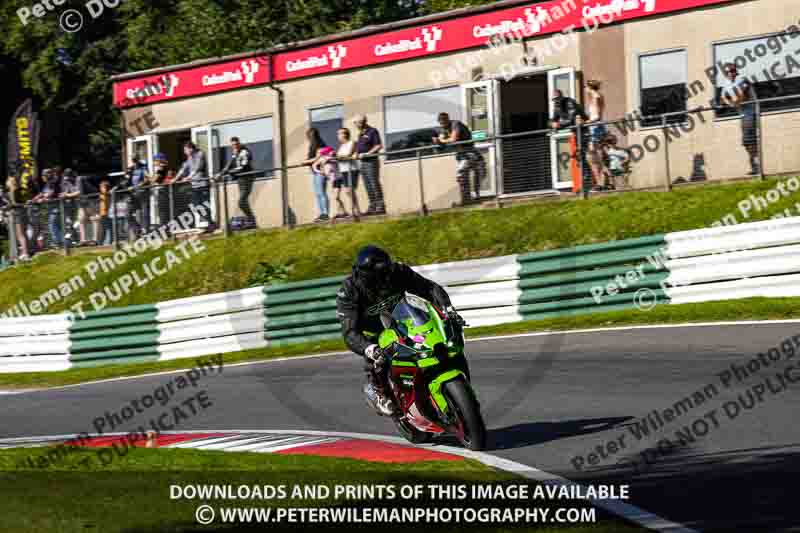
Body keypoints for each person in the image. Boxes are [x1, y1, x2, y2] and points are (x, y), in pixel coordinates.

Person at [335, 245, 465, 416]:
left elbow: (429, 288)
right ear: (367, 276)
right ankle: (379, 391)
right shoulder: (349, 290)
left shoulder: (397, 271)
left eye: (387, 272)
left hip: (403, 319)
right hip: (372, 333)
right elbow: (350, 332)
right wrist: (369, 348)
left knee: (439, 337)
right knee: (377, 359)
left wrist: (448, 309)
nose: (385, 279)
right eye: (380, 277)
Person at [432, 112, 486, 206]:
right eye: (440, 122)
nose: (442, 124)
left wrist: (441, 141)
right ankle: (467, 199)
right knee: (463, 176)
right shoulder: (443, 130)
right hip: (462, 155)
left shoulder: (456, 124)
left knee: (474, 174)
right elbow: (441, 142)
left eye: (444, 121)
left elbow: (454, 139)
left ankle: (472, 197)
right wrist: (438, 142)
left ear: (448, 119)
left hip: (471, 153)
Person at [720, 63, 760, 176]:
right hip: (742, 114)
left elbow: (743, 96)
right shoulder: (726, 84)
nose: (731, 74)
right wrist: (729, 103)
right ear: (726, 74)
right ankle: (755, 163)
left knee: (749, 140)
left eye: (733, 71)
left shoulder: (741, 80)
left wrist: (733, 103)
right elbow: (722, 98)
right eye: (729, 72)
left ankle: (756, 167)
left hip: (750, 112)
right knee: (746, 142)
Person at [551, 90, 589, 193]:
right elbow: (553, 119)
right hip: (576, 133)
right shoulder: (557, 107)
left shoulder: (570, 102)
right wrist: (552, 124)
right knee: (579, 158)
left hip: (584, 131)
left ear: (562, 97)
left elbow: (573, 119)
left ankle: (587, 185)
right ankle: (585, 185)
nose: (556, 101)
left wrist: (559, 125)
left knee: (584, 156)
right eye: (554, 100)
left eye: (558, 99)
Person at [175, 141, 213, 232]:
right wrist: (175, 179)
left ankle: (210, 224)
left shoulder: (200, 154)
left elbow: (197, 167)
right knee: (196, 206)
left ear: (190, 148)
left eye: (185, 149)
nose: (184, 152)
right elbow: (183, 169)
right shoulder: (189, 158)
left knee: (205, 206)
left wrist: (188, 177)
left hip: (202, 184)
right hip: (195, 186)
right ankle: (209, 223)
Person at [218, 136, 255, 228]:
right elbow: (229, 165)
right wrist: (221, 173)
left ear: (239, 143)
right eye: (233, 145)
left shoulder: (245, 152)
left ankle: (251, 219)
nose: (235, 146)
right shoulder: (235, 152)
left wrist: (229, 172)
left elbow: (243, 167)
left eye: (236, 144)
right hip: (240, 179)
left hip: (247, 178)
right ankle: (251, 221)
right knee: (243, 201)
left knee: (241, 201)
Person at [353, 115, 386, 215]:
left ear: (362, 122)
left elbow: (378, 145)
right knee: (367, 185)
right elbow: (359, 148)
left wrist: (368, 153)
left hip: (371, 161)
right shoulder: (360, 134)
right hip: (363, 162)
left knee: (374, 183)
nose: (355, 125)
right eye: (355, 123)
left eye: (356, 123)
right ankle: (372, 206)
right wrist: (356, 153)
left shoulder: (372, 131)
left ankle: (380, 206)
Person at [334, 127, 361, 220]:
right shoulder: (341, 146)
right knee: (348, 191)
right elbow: (338, 157)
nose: (338, 136)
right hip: (344, 170)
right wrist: (338, 157)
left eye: (339, 134)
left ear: (345, 134)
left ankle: (355, 211)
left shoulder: (352, 143)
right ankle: (355, 210)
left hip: (352, 169)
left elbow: (348, 154)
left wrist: (339, 156)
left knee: (350, 190)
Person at [585, 80, 607, 190]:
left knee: (596, 156)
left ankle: (602, 182)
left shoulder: (596, 97)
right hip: (594, 127)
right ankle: (599, 182)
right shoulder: (596, 97)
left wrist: (587, 122)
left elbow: (597, 116)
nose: (585, 89)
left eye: (586, 87)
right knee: (592, 155)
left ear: (589, 87)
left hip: (596, 127)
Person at [304, 128, 329, 222]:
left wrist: (304, 162)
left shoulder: (320, 145)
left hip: (320, 172)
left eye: (310, 135)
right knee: (318, 193)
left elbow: (317, 158)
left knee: (321, 192)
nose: (309, 138)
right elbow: (311, 158)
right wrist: (307, 161)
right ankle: (322, 213)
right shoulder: (312, 146)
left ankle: (325, 213)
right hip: (315, 172)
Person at [92, 180, 113, 245]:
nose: (100, 189)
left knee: (108, 229)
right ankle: (102, 242)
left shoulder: (107, 194)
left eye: (102, 187)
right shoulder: (102, 195)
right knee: (104, 229)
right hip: (102, 214)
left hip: (106, 214)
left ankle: (108, 242)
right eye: (100, 187)